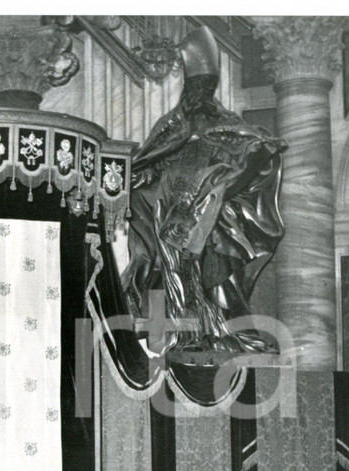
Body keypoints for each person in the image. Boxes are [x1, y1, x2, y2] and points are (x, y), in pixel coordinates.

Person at [122, 26, 287, 354]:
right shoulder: (171, 125)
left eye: (205, 86)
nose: (200, 92)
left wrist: (256, 152)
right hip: (167, 208)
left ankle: (213, 330)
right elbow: (150, 162)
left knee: (204, 263)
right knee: (173, 262)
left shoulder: (226, 122)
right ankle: (185, 333)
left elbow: (250, 152)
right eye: (196, 85)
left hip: (208, 212)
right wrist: (140, 180)